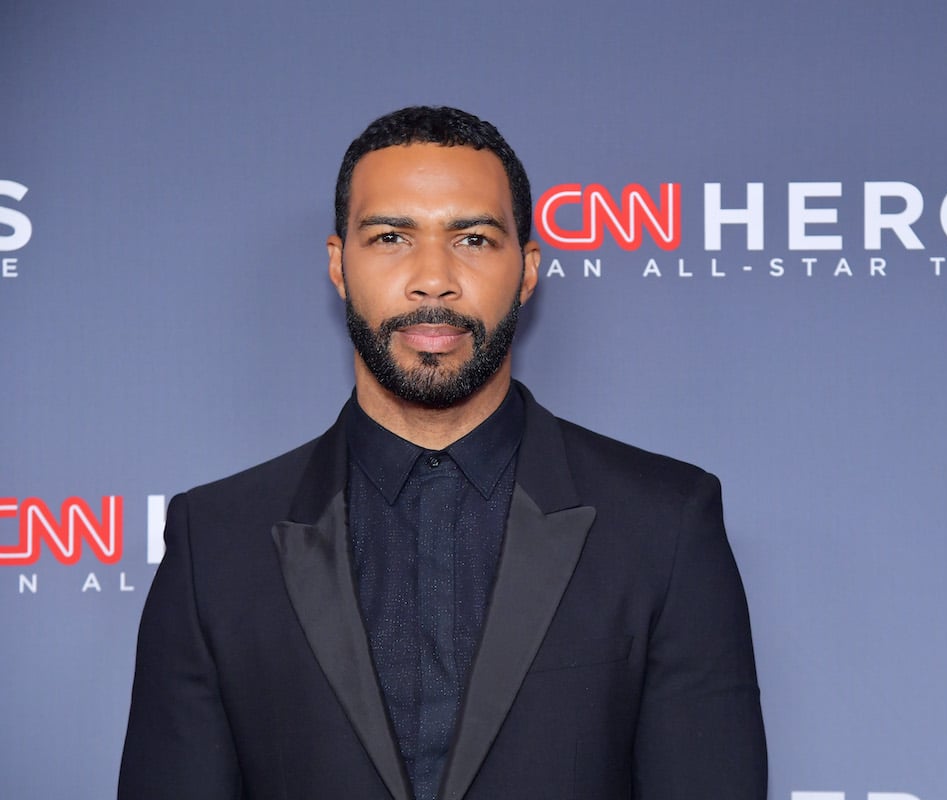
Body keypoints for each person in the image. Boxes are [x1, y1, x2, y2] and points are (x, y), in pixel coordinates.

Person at [118, 106, 767, 800]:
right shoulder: (216, 542)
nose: (434, 279)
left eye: (475, 240)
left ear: (527, 270)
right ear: (339, 266)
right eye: (392, 236)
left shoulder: (663, 525)